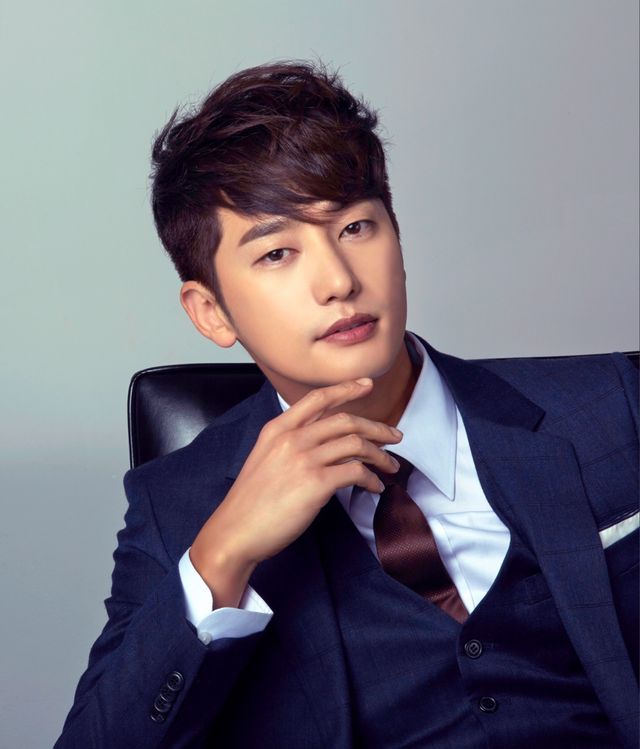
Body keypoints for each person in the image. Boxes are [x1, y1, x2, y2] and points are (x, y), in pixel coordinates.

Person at [55, 60, 638, 748]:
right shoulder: (178, 506)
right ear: (211, 312)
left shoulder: (609, 405)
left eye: (356, 227)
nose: (337, 280)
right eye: (277, 253)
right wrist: (225, 552)